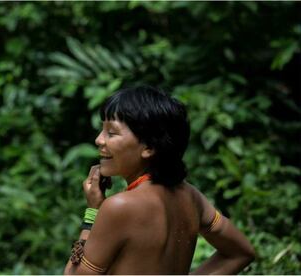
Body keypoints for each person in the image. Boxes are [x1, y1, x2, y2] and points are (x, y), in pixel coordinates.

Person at [63, 85, 255, 274]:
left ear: (148, 147)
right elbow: (239, 252)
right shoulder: (191, 197)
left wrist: (93, 212)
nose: (99, 139)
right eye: (102, 130)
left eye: (111, 133)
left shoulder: (119, 206)